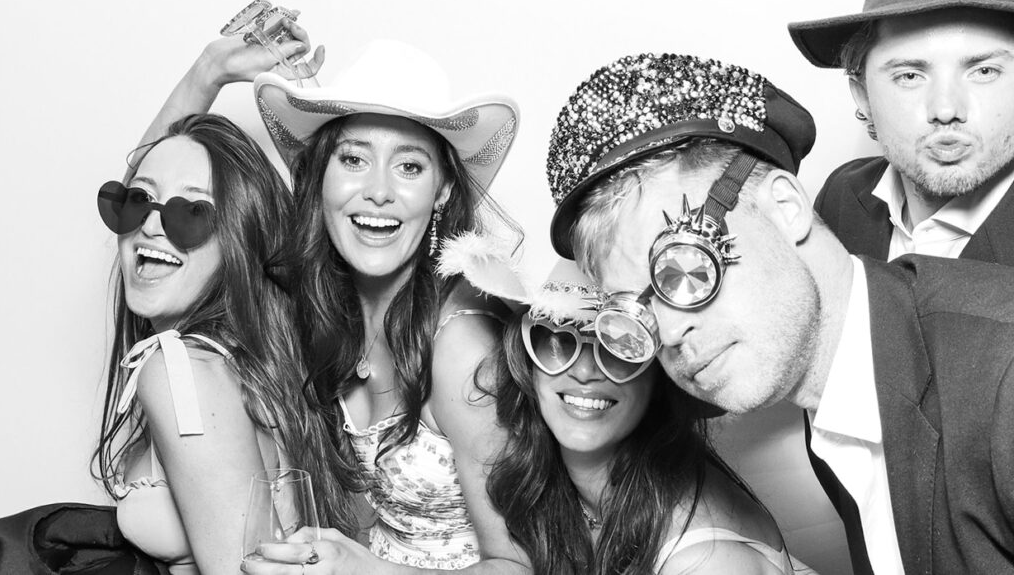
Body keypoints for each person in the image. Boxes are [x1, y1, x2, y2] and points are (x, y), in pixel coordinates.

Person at [546, 51, 1014, 574]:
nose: (671, 332)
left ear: (786, 208)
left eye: (685, 269)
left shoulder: (1001, 382)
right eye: (640, 313)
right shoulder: (836, 395)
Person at [235, 39, 530, 574]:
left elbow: (519, 567)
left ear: (442, 191)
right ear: (320, 176)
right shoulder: (321, 310)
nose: (378, 192)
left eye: (410, 167)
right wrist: (207, 72)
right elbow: (162, 238)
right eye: (353, 159)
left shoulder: (463, 346)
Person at [435, 239, 809, 574]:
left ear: (660, 372)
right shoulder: (564, 485)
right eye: (557, 339)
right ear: (527, 362)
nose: (583, 372)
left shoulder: (701, 562)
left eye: (619, 345)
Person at [93, 113, 339, 575]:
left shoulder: (180, 371)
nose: (149, 225)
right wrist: (208, 72)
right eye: (140, 200)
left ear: (240, 240)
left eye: (192, 213)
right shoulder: (244, 360)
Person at [788, 0, 1014, 264]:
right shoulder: (841, 197)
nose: (945, 109)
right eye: (909, 75)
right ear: (863, 96)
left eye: (983, 71)